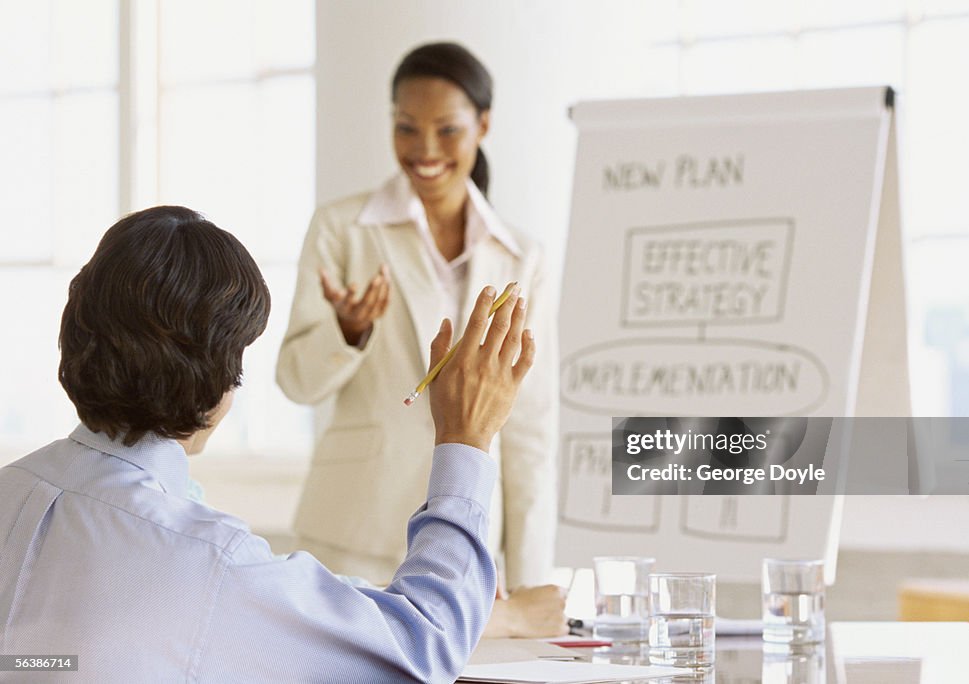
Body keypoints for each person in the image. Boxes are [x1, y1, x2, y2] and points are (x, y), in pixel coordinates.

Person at [0, 206, 532, 682]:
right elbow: (427, 647)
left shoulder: (14, 489)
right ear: (219, 373)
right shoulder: (208, 562)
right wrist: (467, 438)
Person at [276, 42, 562, 635]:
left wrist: (530, 578)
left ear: (483, 125)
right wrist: (349, 330)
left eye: (446, 130)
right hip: (354, 531)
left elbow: (530, 425)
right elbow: (295, 381)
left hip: (468, 536)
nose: (424, 150)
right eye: (406, 128)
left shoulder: (520, 255)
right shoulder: (342, 229)